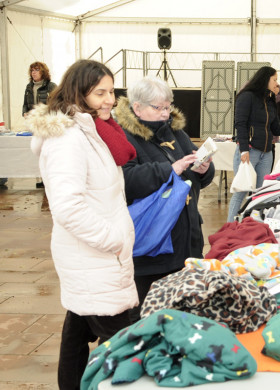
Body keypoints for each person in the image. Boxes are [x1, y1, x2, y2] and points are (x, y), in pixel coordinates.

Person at [28, 59, 139, 389]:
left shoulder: (89, 130)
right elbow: (67, 207)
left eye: (112, 92)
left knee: (76, 329)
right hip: (94, 254)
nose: (110, 100)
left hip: (92, 256)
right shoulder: (69, 138)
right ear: (79, 93)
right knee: (122, 343)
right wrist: (113, 239)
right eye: (100, 93)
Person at [114, 76, 215, 320]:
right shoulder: (125, 137)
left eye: (168, 106)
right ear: (136, 107)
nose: (165, 113)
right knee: (150, 317)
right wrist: (169, 169)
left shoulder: (175, 132)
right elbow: (125, 181)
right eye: (158, 107)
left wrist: (204, 169)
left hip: (187, 239)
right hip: (154, 245)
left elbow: (196, 175)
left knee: (183, 313)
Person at [227, 66, 280, 222]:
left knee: (260, 195)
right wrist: (244, 150)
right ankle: (230, 227)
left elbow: (276, 128)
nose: (277, 84)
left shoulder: (270, 102)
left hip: (266, 153)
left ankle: (253, 226)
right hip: (249, 152)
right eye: (275, 80)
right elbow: (240, 124)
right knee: (240, 192)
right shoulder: (247, 97)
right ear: (265, 79)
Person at [23, 61, 57, 188]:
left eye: (36, 70)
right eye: (32, 70)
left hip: (47, 123)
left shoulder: (51, 86)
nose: (34, 73)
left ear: (43, 72)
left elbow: (57, 102)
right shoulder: (29, 87)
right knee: (36, 149)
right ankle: (41, 177)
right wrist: (25, 112)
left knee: (47, 150)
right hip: (34, 122)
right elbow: (25, 103)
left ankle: (48, 177)